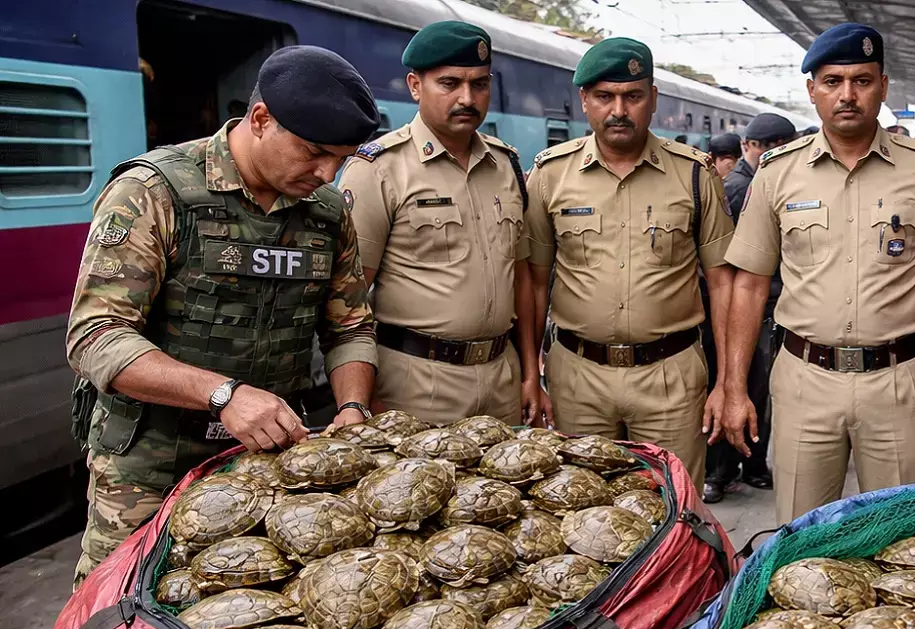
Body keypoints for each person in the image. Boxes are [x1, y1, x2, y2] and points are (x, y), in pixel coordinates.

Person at [65, 46, 380, 585]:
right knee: (116, 617)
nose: (327, 173)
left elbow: (349, 324)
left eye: (342, 157)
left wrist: (353, 406)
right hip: (150, 468)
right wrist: (224, 395)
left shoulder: (327, 214)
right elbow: (95, 337)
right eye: (313, 152)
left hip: (269, 461)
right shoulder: (155, 192)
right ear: (260, 120)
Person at [714, 23, 915, 522]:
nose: (847, 95)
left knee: (899, 543)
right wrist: (733, 387)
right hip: (805, 380)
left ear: (883, 86)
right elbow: (748, 284)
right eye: (832, 81)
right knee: (801, 541)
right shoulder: (778, 173)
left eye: (861, 80)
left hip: (898, 382)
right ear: (812, 90)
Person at [523, 37, 736, 490]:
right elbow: (534, 282)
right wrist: (530, 374)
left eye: (633, 96)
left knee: (674, 513)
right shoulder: (549, 174)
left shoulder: (696, 175)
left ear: (653, 99)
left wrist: (727, 383)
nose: (619, 110)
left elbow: (723, 283)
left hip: (671, 376)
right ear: (584, 101)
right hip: (577, 377)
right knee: (578, 512)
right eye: (604, 96)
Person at [339, 21, 540, 427]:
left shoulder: (506, 165)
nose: (467, 98)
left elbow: (519, 275)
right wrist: (359, 397)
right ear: (415, 86)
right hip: (417, 384)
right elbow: (348, 298)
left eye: (480, 84)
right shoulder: (379, 170)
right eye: (450, 83)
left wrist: (531, 374)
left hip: (502, 376)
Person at [705, 111, 796, 501]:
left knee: (754, 389)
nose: (770, 153)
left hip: (763, 304)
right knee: (739, 386)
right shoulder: (742, 188)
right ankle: (726, 469)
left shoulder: (758, 182)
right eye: (764, 146)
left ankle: (747, 465)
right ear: (751, 147)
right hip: (747, 306)